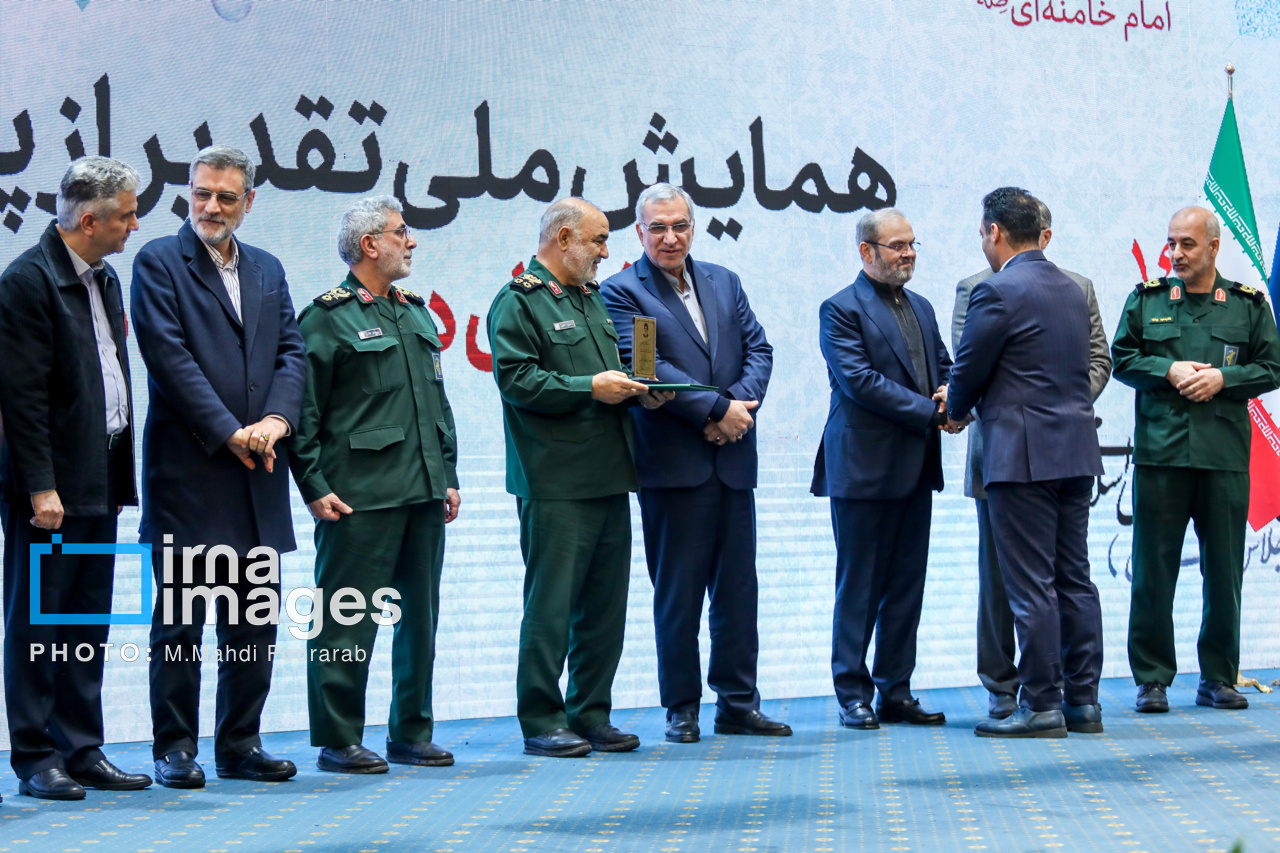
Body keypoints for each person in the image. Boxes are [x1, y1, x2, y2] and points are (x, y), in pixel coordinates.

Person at [132, 145, 305, 787]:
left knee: (254, 622)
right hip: (190, 475)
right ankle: (174, 747)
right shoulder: (158, 261)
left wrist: (277, 421)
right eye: (201, 193)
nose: (210, 207)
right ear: (188, 192)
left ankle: (240, 744)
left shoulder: (267, 267)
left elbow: (292, 354)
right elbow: (168, 357)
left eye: (226, 197)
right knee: (181, 623)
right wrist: (229, 431)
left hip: (259, 472)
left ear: (248, 202)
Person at [600, 183, 787, 744]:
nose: (670, 237)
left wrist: (737, 409)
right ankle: (681, 707)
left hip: (733, 458)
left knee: (738, 593)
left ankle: (738, 704)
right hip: (673, 465)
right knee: (678, 596)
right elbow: (645, 367)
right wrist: (715, 409)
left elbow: (759, 351)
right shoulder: (622, 291)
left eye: (679, 225)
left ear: (692, 227)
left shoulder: (724, 281)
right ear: (639, 232)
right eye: (657, 228)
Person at [487, 197, 673, 757]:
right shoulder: (518, 301)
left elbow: (613, 372)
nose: (606, 252)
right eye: (598, 240)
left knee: (603, 609)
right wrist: (590, 387)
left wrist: (642, 391)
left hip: (610, 473)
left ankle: (591, 713)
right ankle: (542, 720)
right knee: (551, 607)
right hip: (555, 481)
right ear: (563, 238)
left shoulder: (590, 298)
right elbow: (517, 381)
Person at [289, 196, 461, 773]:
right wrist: (313, 484)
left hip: (423, 494)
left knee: (420, 622)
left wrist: (448, 475)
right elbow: (303, 413)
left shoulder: (416, 313)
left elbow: (437, 405)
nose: (411, 241)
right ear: (370, 245)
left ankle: (411, 732)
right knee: (345, 619)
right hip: (357, 497)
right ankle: (338, 738)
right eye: (401, 232)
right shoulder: (326, 318)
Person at [0, 157, 152, 800]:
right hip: (50, 490)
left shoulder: (105, 277)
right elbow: (21, 399)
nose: (134, 225)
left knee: (87, 621)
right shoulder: (25, 282)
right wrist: (40, 486)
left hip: (99, 475)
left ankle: (81, 748)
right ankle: (36, 756)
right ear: (89, 221)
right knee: (39, 624)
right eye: (126, 216)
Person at [947, 187, 1105, 738]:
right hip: (1076, 452)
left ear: (994, 231)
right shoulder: (1071, 288)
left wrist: (954, 410)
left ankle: (1040, 704)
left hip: (1021, 456)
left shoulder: (995, 291)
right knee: (1075, 580)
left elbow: (969, 369)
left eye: (982, 232)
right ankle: (1083, 702)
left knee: (1031, 585)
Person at [1112, 206, 1280, 713]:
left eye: (1187, 244)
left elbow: (1272, 367)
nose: (1176, 254)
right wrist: (1168, 370)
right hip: (1162, 457)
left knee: (1224, 573)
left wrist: (1224, 379)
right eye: (1171, 243)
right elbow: (1121, 358)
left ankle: (1219, 677)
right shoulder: (1147, 299)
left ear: (1213, 247)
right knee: (1152, 572)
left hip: (1223, 457)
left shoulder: (1248, 305)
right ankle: (1152, 679)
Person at [811, 208, 953, 732]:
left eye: (912, 244)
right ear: (867, 251)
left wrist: (952, 395)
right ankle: (853, 693)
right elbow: (860, 382)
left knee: (906, 586)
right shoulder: (840, 308)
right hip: (863, 469)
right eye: (897, 246)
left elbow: (944, 365)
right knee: (860, 587)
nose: (908, 253)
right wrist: (934, 413)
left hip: (915, 465)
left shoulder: (922, 305)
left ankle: (896, 690)